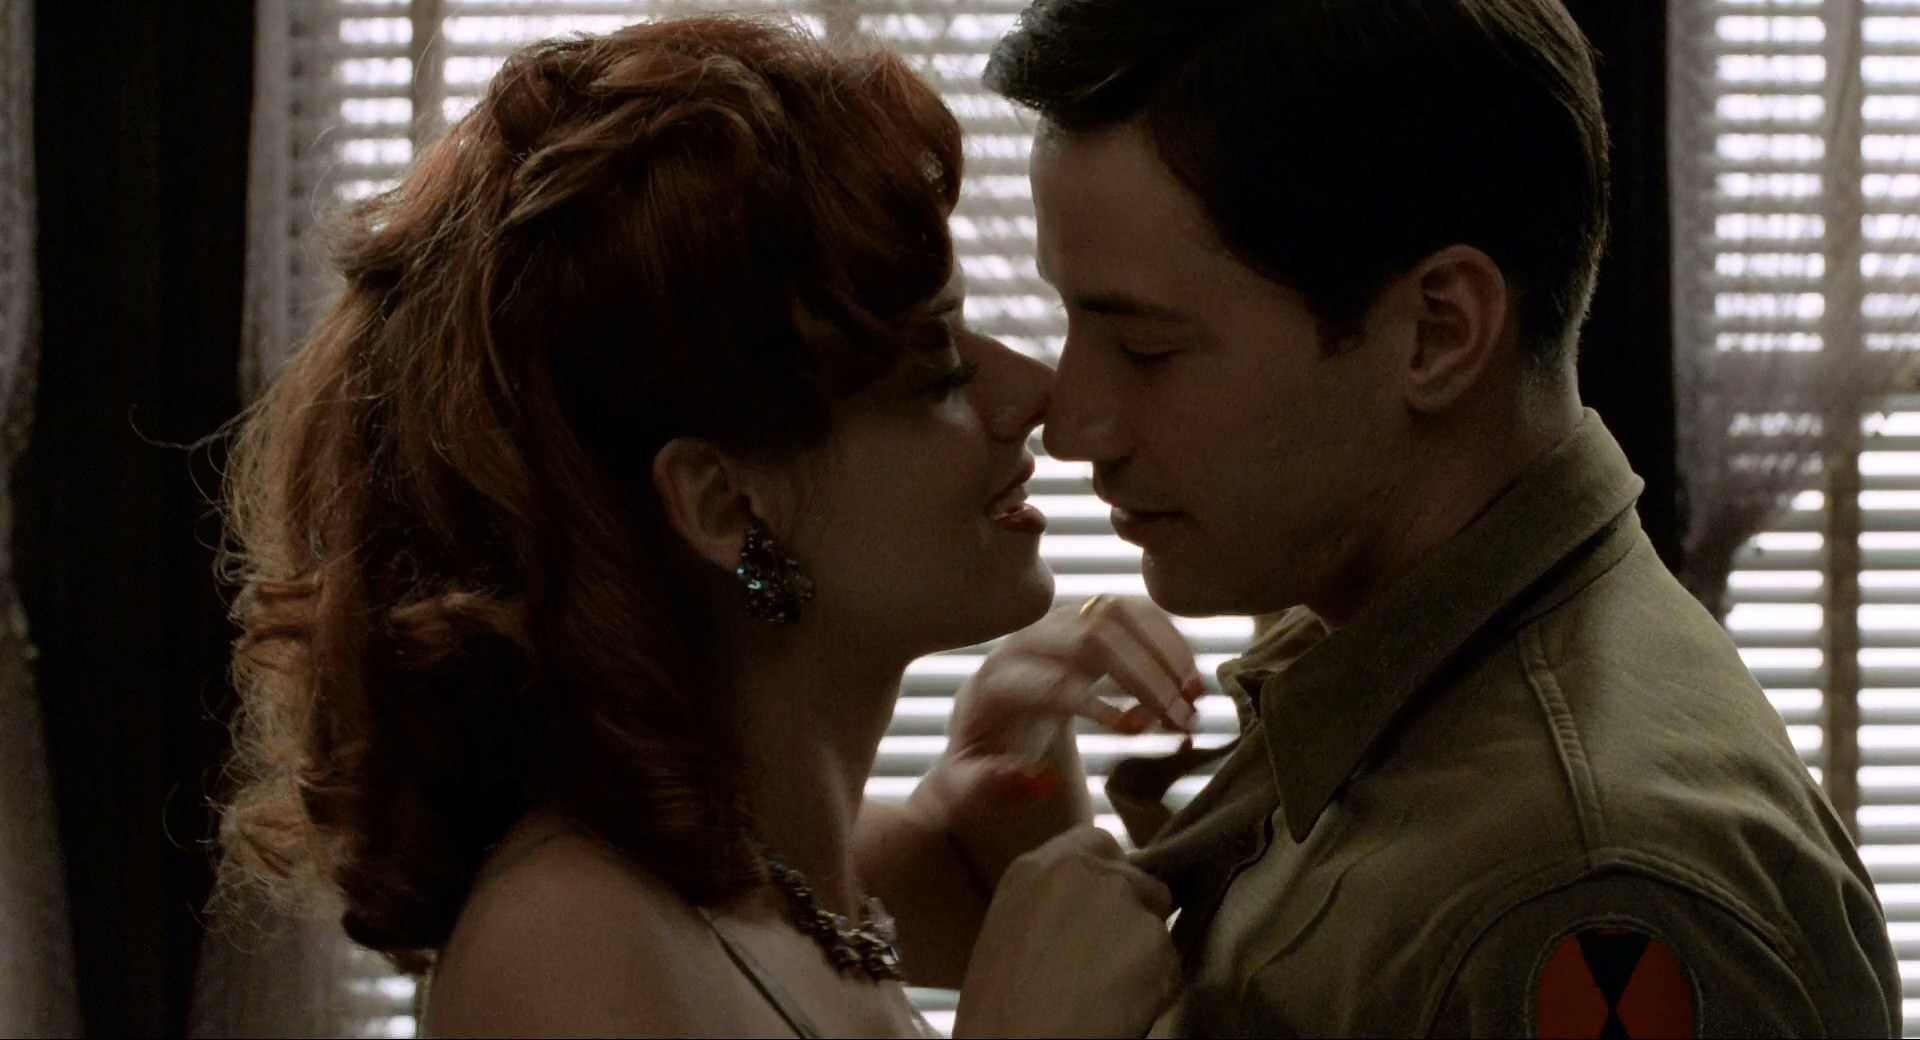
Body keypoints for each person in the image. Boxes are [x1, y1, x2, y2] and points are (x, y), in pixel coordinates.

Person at [212, 15, 1190, 1037]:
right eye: (937, 364)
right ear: (723, 503)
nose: (1035, 392)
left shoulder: (784, 868)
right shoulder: (565, 945)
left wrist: (1015, 795)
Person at [975, 0, 1903, 1035]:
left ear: (1438, 333)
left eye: (1146, 347)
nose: (1073, 427)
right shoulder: (1377, 679)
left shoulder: (1580, 887)